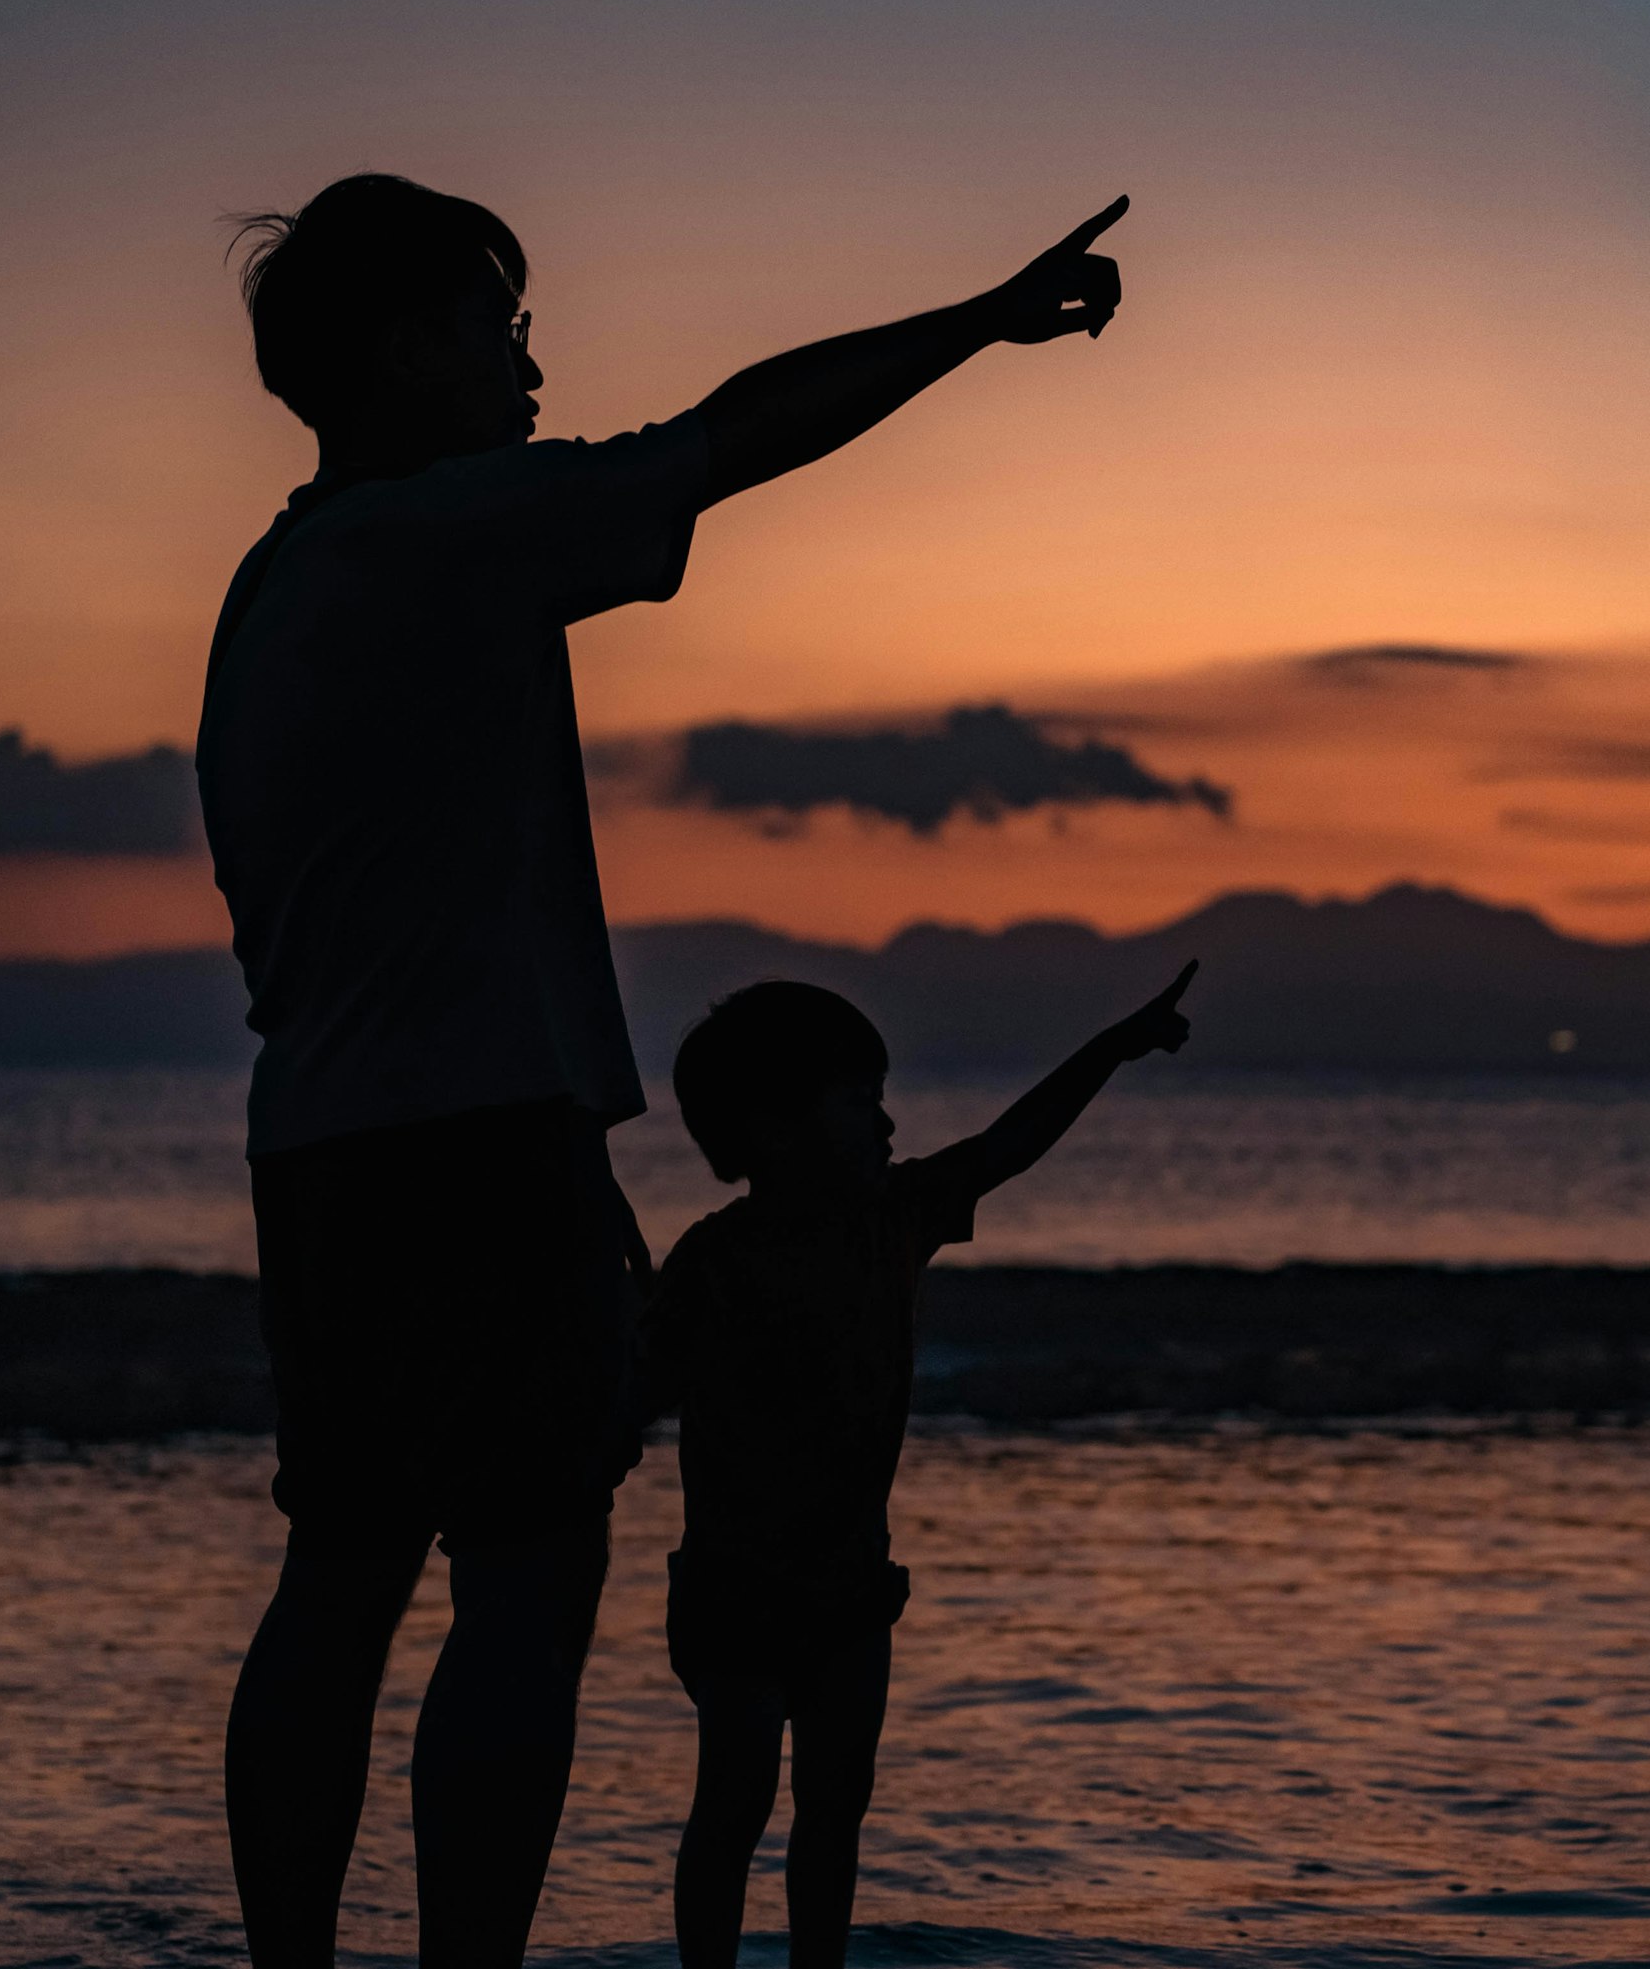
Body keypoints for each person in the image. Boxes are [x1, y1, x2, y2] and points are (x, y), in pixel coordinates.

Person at [195, 171, 1128, 1969]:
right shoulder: (441, 531)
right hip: (472, 1147)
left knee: (343, 1578)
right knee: (526, 1584)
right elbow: (729, 437)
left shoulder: (278, 586)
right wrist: (978, 322)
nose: (532, 368)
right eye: (499, 329)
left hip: (318, 1147)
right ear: (401, 352)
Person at [646, 966, 1197, 1969]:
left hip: (851, 1587)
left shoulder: (892, 1218)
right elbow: (630, 1387)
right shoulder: (712, 1262)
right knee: (733, 1804)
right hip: (734, 1592)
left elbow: (1008, 1146)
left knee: (833, 1813)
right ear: (773, 1127)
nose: (890, 1125)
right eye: (861, 1101)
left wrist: (1110, 1049)